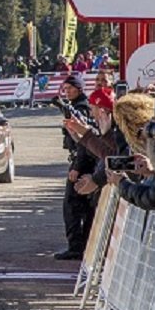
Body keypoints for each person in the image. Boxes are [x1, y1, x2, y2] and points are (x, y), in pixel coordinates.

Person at [53, 73, 96, 260]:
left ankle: (77, 247)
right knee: (84, 208)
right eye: (65, 89)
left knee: (72, 206)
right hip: (84, 161)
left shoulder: (82, 109)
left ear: (79, 89)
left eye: (70, 88)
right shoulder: (77, 107)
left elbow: (83, 143)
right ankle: (84, 246)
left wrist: (77, 167)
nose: (67, 92)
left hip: (84, 163)